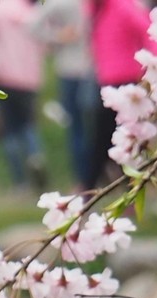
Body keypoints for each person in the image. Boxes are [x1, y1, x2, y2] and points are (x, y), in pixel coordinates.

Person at [83, 0, 155, 191]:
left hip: (127, 81)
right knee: (109, 138)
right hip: (107, 81)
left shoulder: (123, 6)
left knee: (110, 138)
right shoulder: (97, 7)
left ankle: (90, 188)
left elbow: (149, 32)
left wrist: (155, 67)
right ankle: (99, 186)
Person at [0, 0, 44, 191]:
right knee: (28, 125)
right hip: (29, 76)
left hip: (4, 74)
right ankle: (36, 159)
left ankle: (20, 181)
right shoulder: (31, 12)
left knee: (10, 129)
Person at [40, 0, 95, 190]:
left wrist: (54, 36)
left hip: (76, 71)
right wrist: (58, 36)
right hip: (90, 69)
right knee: (89, 128)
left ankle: (83, 180)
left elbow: (32, 23)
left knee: (79, 128)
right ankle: (89, 177)